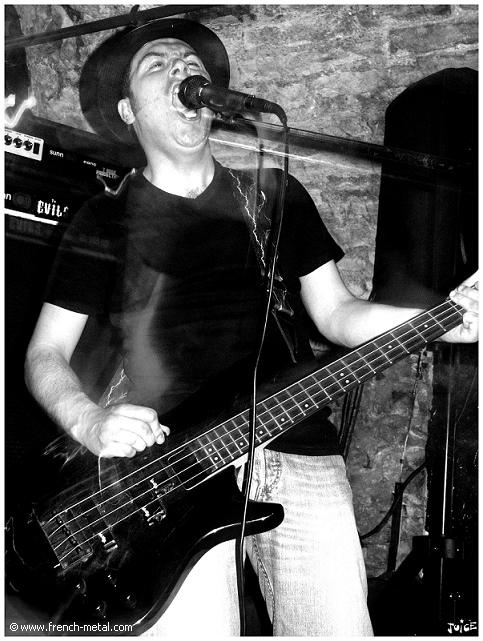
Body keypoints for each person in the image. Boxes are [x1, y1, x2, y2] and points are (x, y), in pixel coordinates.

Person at [24, 18, 478, 636]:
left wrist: (445, 321)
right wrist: (88, 420)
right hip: (171, 469)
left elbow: (338, 315)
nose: (183, 67)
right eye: (157, 63)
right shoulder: (103, 220)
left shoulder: (274, 196)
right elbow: (45, 353)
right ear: (127, 111)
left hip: (298, 446)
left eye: (191, 62)